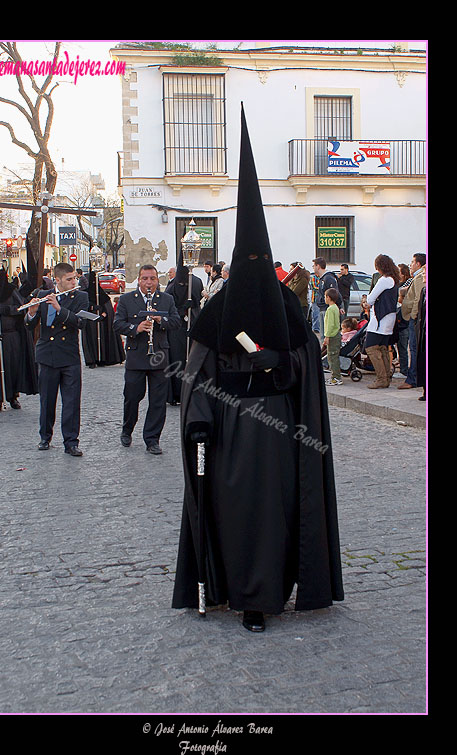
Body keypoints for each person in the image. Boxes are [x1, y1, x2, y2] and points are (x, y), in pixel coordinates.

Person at [172, 104, 343, 633]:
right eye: (244, 263)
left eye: (258, 264)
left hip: (277, 430)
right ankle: (238, 593)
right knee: (235, 515)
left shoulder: (289, 307)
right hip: (227, 431)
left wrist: (283, 360)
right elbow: (196, 371)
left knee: (276, 516)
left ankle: (271, 592)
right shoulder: (216, 310)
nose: (252, 273)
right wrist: (199, 415)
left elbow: (307, 365)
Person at [113, 264, 181, 454]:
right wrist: (136, 329)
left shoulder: (166, 299)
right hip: (136, 355)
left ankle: (152, 439)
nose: (149, 283)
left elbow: (176, 322)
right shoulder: (127, 299)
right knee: (132, 397)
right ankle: (127, 429)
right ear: (138, 280)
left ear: (157, 280)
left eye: (152, 279)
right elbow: (117, 324)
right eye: (145, 279)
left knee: (158, 401)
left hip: (159, 356)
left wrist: (161, 321)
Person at [24, 262, 89, 456]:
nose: (73, 282)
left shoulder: (81, 297)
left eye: (74, 278)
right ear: (57, 280)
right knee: (47, 400)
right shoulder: (43, 295)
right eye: (69, 279)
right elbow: (29, 326)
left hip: (69, 356)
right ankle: (45, 437)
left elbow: (80, 323)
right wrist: (32, 312)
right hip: (47, 354)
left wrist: (59, 309)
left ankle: (71, 442)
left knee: (71, 402)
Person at [0, 269, 38, 413]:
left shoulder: (11, 290)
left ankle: (12, 396)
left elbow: (21, 308)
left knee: (12, 367)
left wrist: (6, 310)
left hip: (10, 336)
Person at [165, 251, 203, 405]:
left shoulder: (196, 282)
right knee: (177, 358)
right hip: (176, 328)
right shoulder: (171, 288)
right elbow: (169, 307)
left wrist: (192, 305)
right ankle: (176, 392)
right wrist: (181, 311)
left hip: (191, 325)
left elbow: (198, 299)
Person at [362, 254, 400, 389]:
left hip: (380, 318)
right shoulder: (394, 279)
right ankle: (386, 377)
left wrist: (367, 303)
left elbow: (371, 298)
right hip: (389, 317)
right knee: (383, 347)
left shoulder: (384, 280)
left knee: (371, 347)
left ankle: (381, 378)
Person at [81, 271, 125, 368]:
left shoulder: (101, 295)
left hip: (101, 324)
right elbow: (82, 308)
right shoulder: (84, 295)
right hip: (89, 323)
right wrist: (92, 308)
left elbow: (108, 310)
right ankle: (92, 359)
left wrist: (103, 314)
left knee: (102, 339)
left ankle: (103, 358)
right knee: (91, 340)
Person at [397, 253, 426, 391]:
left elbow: (418, 300)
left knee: (414, 349)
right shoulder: (418, 277)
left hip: (415, 319)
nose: (410, 264)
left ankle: (412, 378)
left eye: (413, 262)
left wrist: (414, 317)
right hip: (414, 318)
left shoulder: (421, 277)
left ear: (419, 264)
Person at [312, 258, 343, 342]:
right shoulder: (322, 278)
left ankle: (326, 352)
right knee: (322, 334)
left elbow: (335, 292)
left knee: (326, 333)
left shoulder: (328, 278)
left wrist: (340, 306)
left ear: (318, 266)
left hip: (327, 308)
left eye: (314, 266)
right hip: (322, 308)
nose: (313, 268)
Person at [323, 288, 343, 386]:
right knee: (333, 356)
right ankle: (335, 376)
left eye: (325, 296)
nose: (324, 298)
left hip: (332, 336)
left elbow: (330, 324)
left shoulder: (330, 309)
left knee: (332, 357)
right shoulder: (335, 307)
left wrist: (327, 336)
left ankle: (336, 377)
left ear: (328, 297)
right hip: (336, 334)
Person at [415, 266, 426, 401]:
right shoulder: (424, 291)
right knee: (423, 360)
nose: (423, 275)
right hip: (423, 331)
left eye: (424, 273)